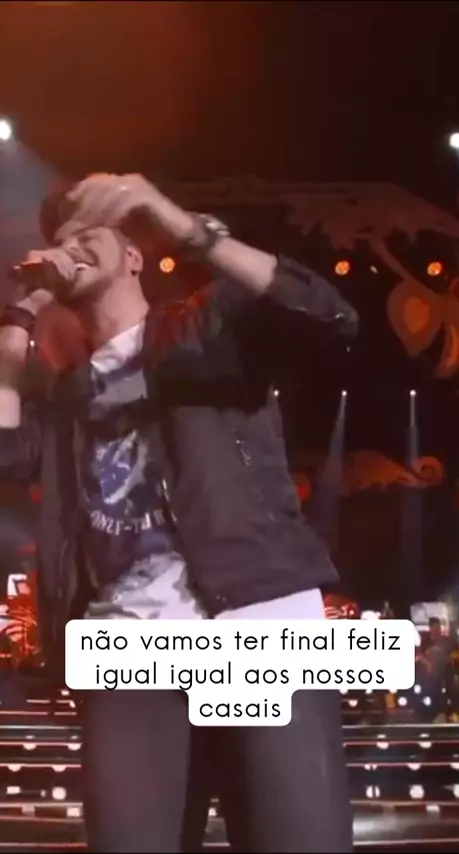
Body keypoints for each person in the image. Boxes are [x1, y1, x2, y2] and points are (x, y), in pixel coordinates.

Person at [0, 173, 357, 853]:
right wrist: (17, 322)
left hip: (256, 619)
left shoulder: (205, 329)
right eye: (64, 238)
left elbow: (324, 314)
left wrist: (181, 224)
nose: (74, 245)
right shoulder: (68, 396)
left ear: (136, 254)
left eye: (92, 231)